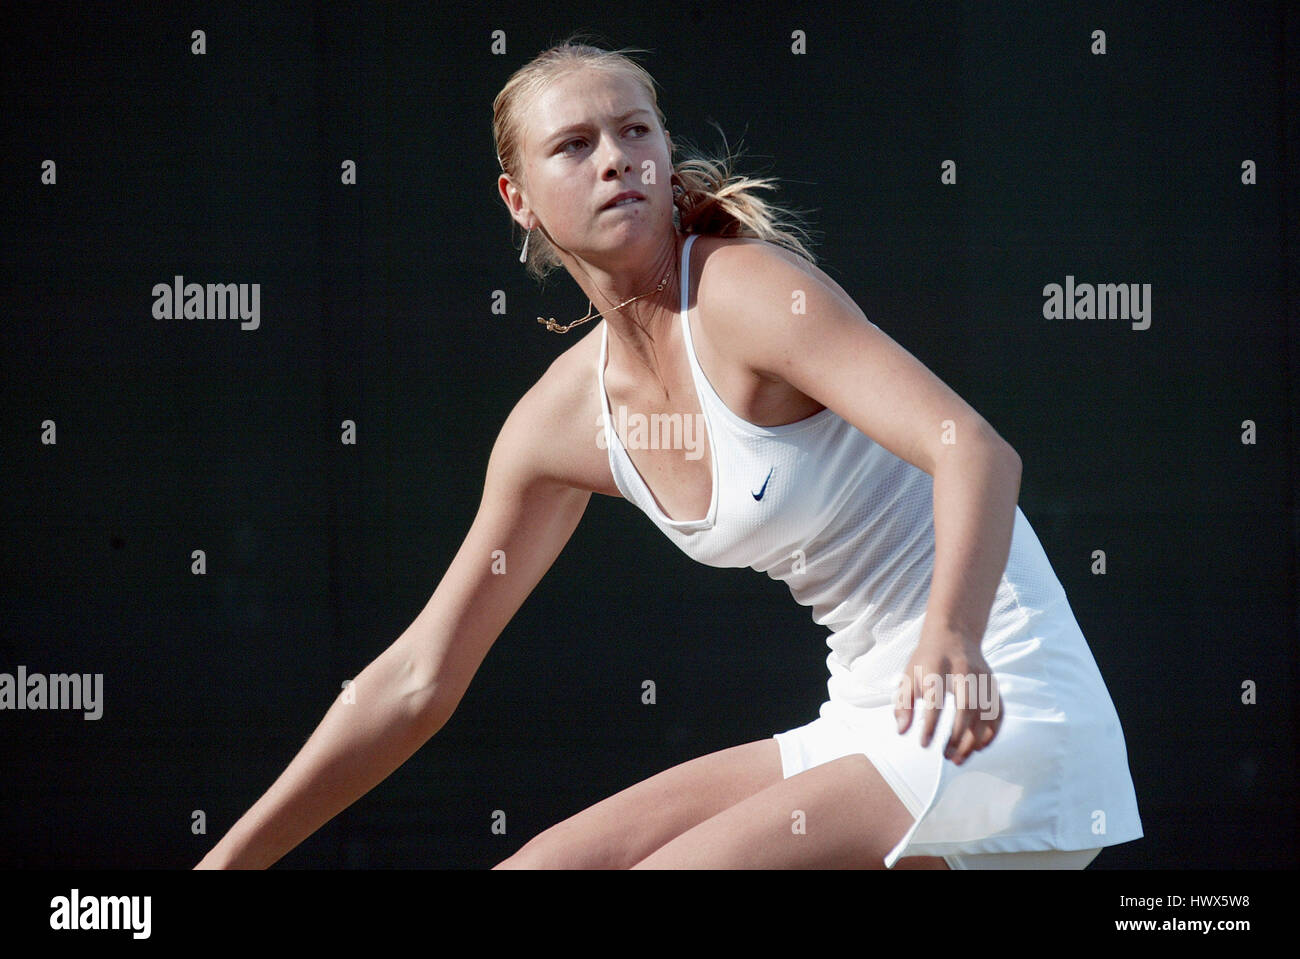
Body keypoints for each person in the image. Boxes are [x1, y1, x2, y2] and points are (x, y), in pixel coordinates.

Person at [195, 39, 1143, 870]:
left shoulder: (746, 293)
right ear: (517, 199)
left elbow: (973, 448)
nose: (619, 160)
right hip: (866, 720)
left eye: (637, 132)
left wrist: (953, 636)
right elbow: (416, 681)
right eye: (575, 145)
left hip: (997, 709)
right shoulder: (558, 423)